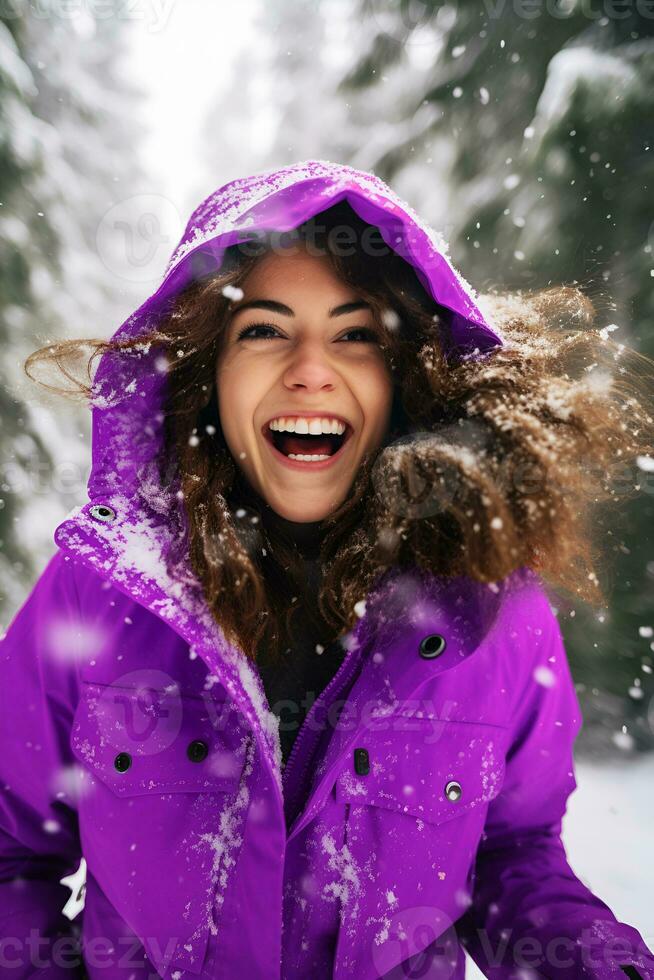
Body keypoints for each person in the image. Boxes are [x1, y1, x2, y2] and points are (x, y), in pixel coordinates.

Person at [2, 159, 653, 979]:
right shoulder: (95, 595)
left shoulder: (490, 612)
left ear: (405, 378)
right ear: (209, 376)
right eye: (265, 330)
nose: (311, 368)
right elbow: (8, 856)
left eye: (356, 335)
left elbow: (513, 859)